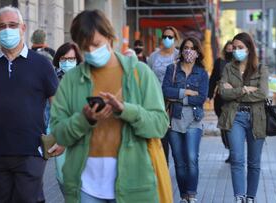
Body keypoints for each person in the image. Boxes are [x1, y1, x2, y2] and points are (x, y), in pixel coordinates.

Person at [50, 10, 169, 203]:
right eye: (84, 48)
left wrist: (125, 110)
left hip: (133, 185)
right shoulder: (71, 80)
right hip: (84, 187)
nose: (91, 52)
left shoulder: (139, 73)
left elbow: (160, 124)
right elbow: (59, 132)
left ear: (110, 37)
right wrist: (84, 119)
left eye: (96, 44)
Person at [0, 6, 60, 203]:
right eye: (2, 26)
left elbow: (59, 104)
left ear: (23, 28)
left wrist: (60, 136)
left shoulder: (42, 65)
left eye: (13, 25)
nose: (7, 30)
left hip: (31, 152)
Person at [217, 32, 268, 203]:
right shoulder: (228, 68)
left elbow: (262, 93)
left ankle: (251, 197)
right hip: (234, 116)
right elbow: (223, 93)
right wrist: (245, 89)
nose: (236, 51)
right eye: (234, 48)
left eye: (240, 47)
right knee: (237, 159)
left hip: (256, 118)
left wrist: (235, 91)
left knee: (254, 162)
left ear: (249, 48)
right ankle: (239, 197)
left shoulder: (261, 68)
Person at [162, 37, 209, 203]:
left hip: (194, 120)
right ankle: (183, 196)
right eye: (186, 48)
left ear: (197, 53)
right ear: (181, 51)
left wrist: (180, 97)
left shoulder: (202, 73)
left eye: (192, 48)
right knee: (179, 161)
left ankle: (192, 194)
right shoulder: (172, 69)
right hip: (174, 120)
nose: (189, 51)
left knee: (191, 158)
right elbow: (166, 91)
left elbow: (201, 98)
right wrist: (186, 92)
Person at [51, 42, 83, 193]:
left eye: (71, 59)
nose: (67, 62)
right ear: (58, 60)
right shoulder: (52, 79)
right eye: (64, 59)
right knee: (62, 176)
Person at [148, 26, 181, 164]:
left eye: (170, 37)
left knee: (177, 140)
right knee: (162, 137)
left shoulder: (179, 56)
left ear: (175, 39)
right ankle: (164, 169)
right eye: (165, 37)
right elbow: (148, 77)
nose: (167, 39)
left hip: (175, 102)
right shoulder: (153, 56)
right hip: (157, 101)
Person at [208, 41, 233, 163]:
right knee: (224, 126)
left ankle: (234, 151)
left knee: (232, 126)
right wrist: (209, 95)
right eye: (227, 49)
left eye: (231, 49)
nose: (229, 51)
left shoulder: (240, 63)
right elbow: (213, 79)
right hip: (220, 99)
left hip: (234, 99)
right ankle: (229, 148)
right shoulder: (219, 62)